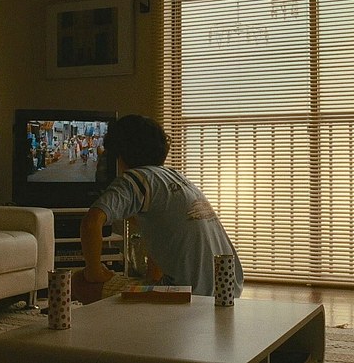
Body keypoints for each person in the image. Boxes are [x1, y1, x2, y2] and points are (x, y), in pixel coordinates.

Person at [78, 114, 244, 299]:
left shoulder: (134, 179)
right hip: (226, 293)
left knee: (78, 282)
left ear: (118, 153)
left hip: (189, 296)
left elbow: (91, 223)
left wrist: (94, 271)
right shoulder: (175, 177)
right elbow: (160, 231)